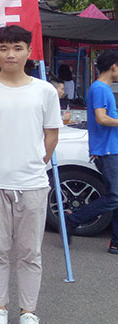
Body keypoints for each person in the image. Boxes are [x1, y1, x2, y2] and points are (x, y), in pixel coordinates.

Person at [0, 25, 62, 324]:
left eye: (18, 48)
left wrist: (36, 162)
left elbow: (51, 135)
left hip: (33, 184)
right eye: (4, 48)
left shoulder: (44, 91)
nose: (11, 54)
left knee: (30, 251)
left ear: (29, 51)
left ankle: (28, 311)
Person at [62, 50, 118, 254]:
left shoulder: (102, 88)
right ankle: (72, 219)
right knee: (114, 197)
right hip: (107, 150)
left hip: (111, 148)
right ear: (114, 67)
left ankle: (116, 243)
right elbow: (102, 118)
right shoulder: (100, 88)